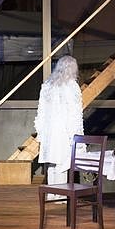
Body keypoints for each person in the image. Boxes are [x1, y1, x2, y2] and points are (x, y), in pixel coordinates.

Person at [34, 55, 84, 197]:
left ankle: (52, 194)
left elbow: (41, 112)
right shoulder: (72, 86)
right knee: (62, 163)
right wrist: (77, 135)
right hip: (64, 131)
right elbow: (75, 114)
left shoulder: (47, 86)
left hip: (49, 131)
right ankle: (61, 195)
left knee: (52, 163)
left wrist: (41, 133)